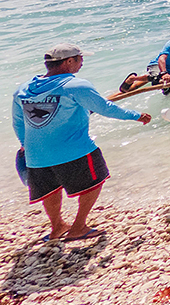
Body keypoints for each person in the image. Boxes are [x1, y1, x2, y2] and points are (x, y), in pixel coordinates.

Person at [12, 44, 151, 242]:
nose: (82, 62)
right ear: (69, 61)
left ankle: (57, 227)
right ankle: (78, 227)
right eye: (79, 58)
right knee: (96, 180)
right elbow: (105, 108)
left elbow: (18, 122)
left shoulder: (22, 90)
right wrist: (136, 116)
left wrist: (25, 146)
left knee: (51, 189)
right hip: (73, 150)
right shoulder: (75, 85)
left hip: (36, 156)